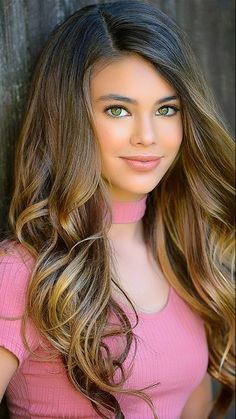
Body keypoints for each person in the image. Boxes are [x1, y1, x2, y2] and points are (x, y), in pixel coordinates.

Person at [0, 1, 234, 418]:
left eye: (166, 109)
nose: (147, 136)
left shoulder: (183, 257)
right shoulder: (23, 271)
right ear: (69, 117)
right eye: (118, 110)